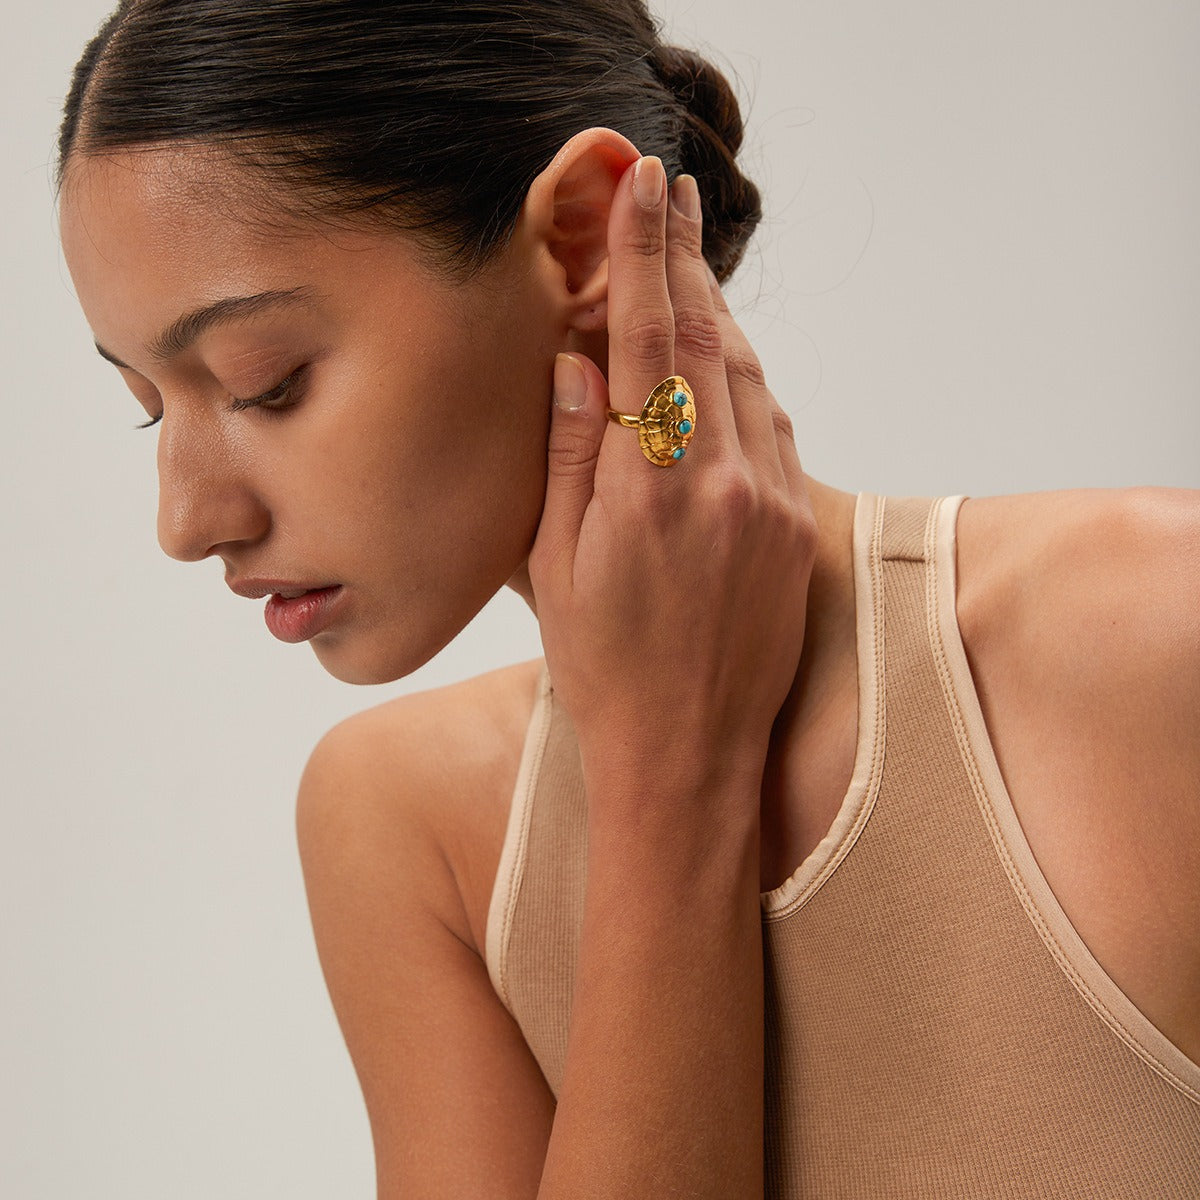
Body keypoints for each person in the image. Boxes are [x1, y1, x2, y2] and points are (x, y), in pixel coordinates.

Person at [56, 1, 1199, 1195]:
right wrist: (670, 767)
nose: (185, 521)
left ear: (585, 235)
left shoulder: (1152, 642)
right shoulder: (409, 830)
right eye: (150, 403)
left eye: (265, 382)